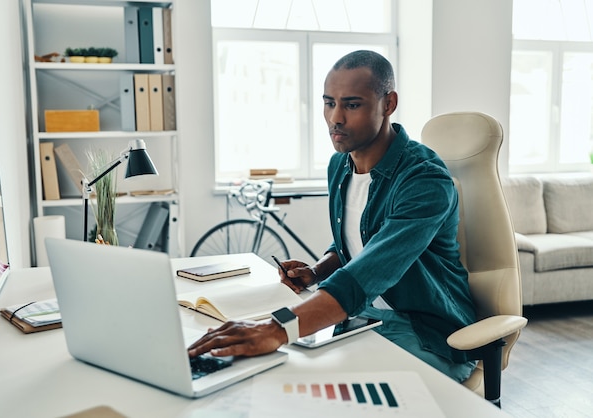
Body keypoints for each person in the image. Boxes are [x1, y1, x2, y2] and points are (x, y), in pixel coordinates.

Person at [188, 50, 477, 382]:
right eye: (329, 103)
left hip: (427, 331)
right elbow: (357, 239)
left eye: (352, 105)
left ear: (388, 103)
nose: (335, 118)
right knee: (267, 378)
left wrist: (275, 328)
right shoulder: (340, 165)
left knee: (329, 392)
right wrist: (317, 270)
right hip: (361, 317)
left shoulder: (424, 179)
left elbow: (372, 269)